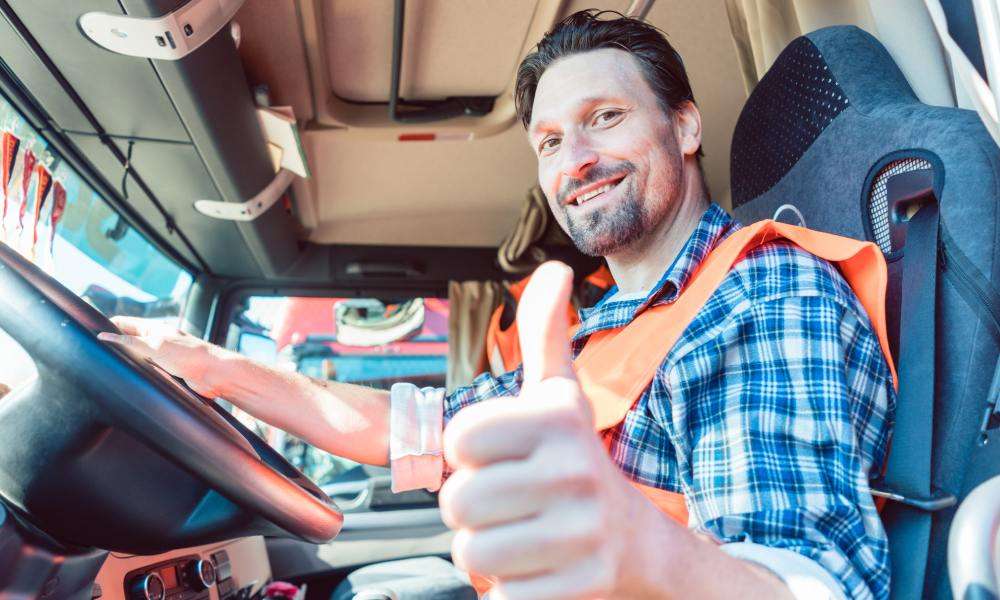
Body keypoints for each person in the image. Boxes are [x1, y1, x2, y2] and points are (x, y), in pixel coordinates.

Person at [101, 10, 895, 600]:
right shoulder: (606, 333)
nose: (575, 161)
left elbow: (807, 584)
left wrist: (637, 549)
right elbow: (399, 429)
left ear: (684, 126)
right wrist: (215, 368)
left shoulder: (758, 294)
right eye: (549, 141)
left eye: (604, 119)